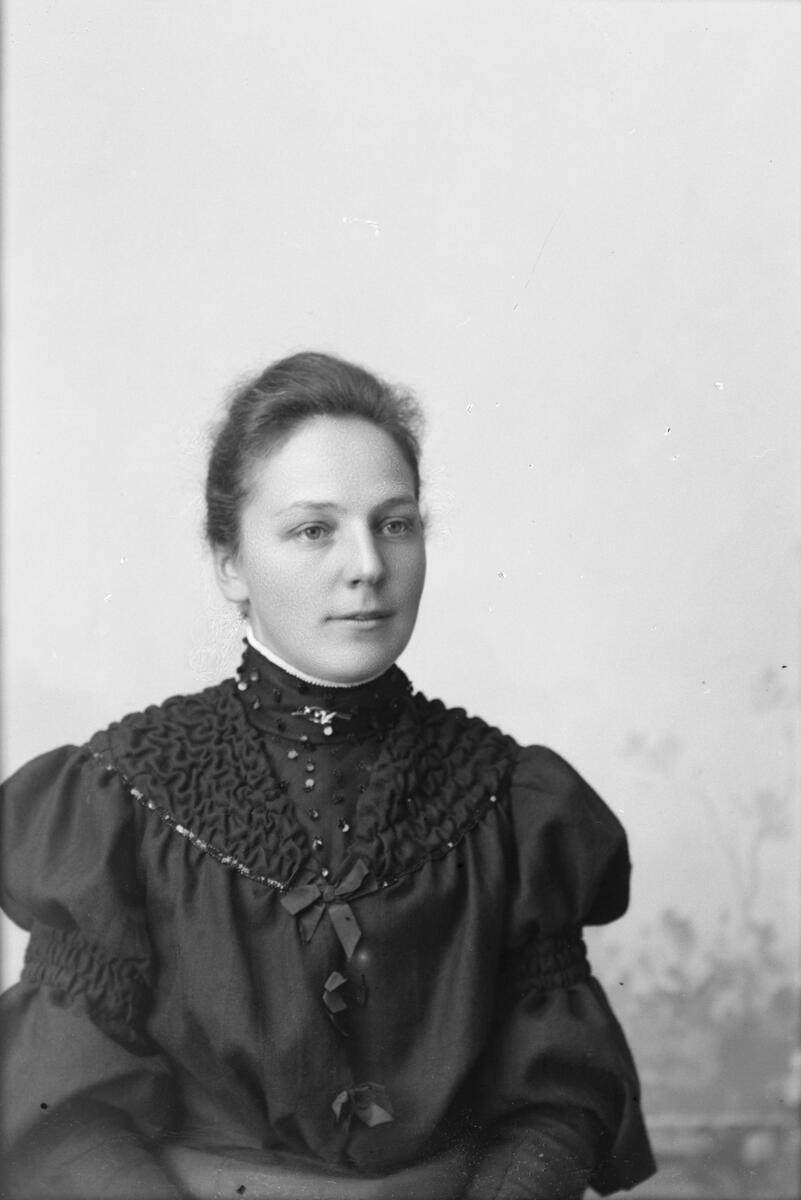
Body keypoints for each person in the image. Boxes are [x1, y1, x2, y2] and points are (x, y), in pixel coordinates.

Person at [0, 352, 656, 1199]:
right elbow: (62, 1117)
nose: (367, 566)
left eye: (395, 524)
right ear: (230, 561)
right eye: (314, 529)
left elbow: (557, 1098)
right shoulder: (119, 798)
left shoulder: (509, 801)